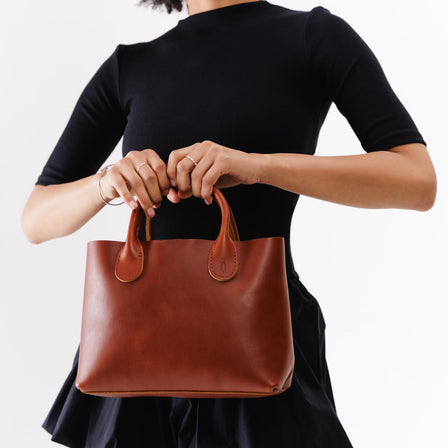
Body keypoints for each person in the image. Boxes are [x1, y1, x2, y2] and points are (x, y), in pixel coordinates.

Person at [22, 0, 437, 447]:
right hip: (137, 348)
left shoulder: (314, 37)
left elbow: (416, 180)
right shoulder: (131, 65)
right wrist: (107, 183)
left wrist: (258, 166)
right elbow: (36, 219)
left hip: (256, 336)